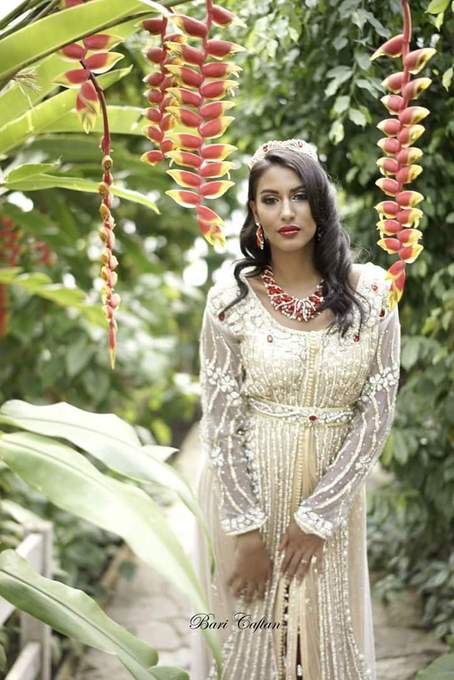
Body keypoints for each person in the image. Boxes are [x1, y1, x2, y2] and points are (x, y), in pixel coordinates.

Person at [190, 138, 401, 680]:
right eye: (270, 199)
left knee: (326, 647)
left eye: (300, 195)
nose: (287, 211)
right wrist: (244, 532)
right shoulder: (230, 303)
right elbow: (220, 423)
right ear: (255, 212)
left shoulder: (374, 293)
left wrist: (319, 517)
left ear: (321, 204)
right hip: (251, 498)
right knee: (253, 650)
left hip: (332, 501)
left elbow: (377, 412)